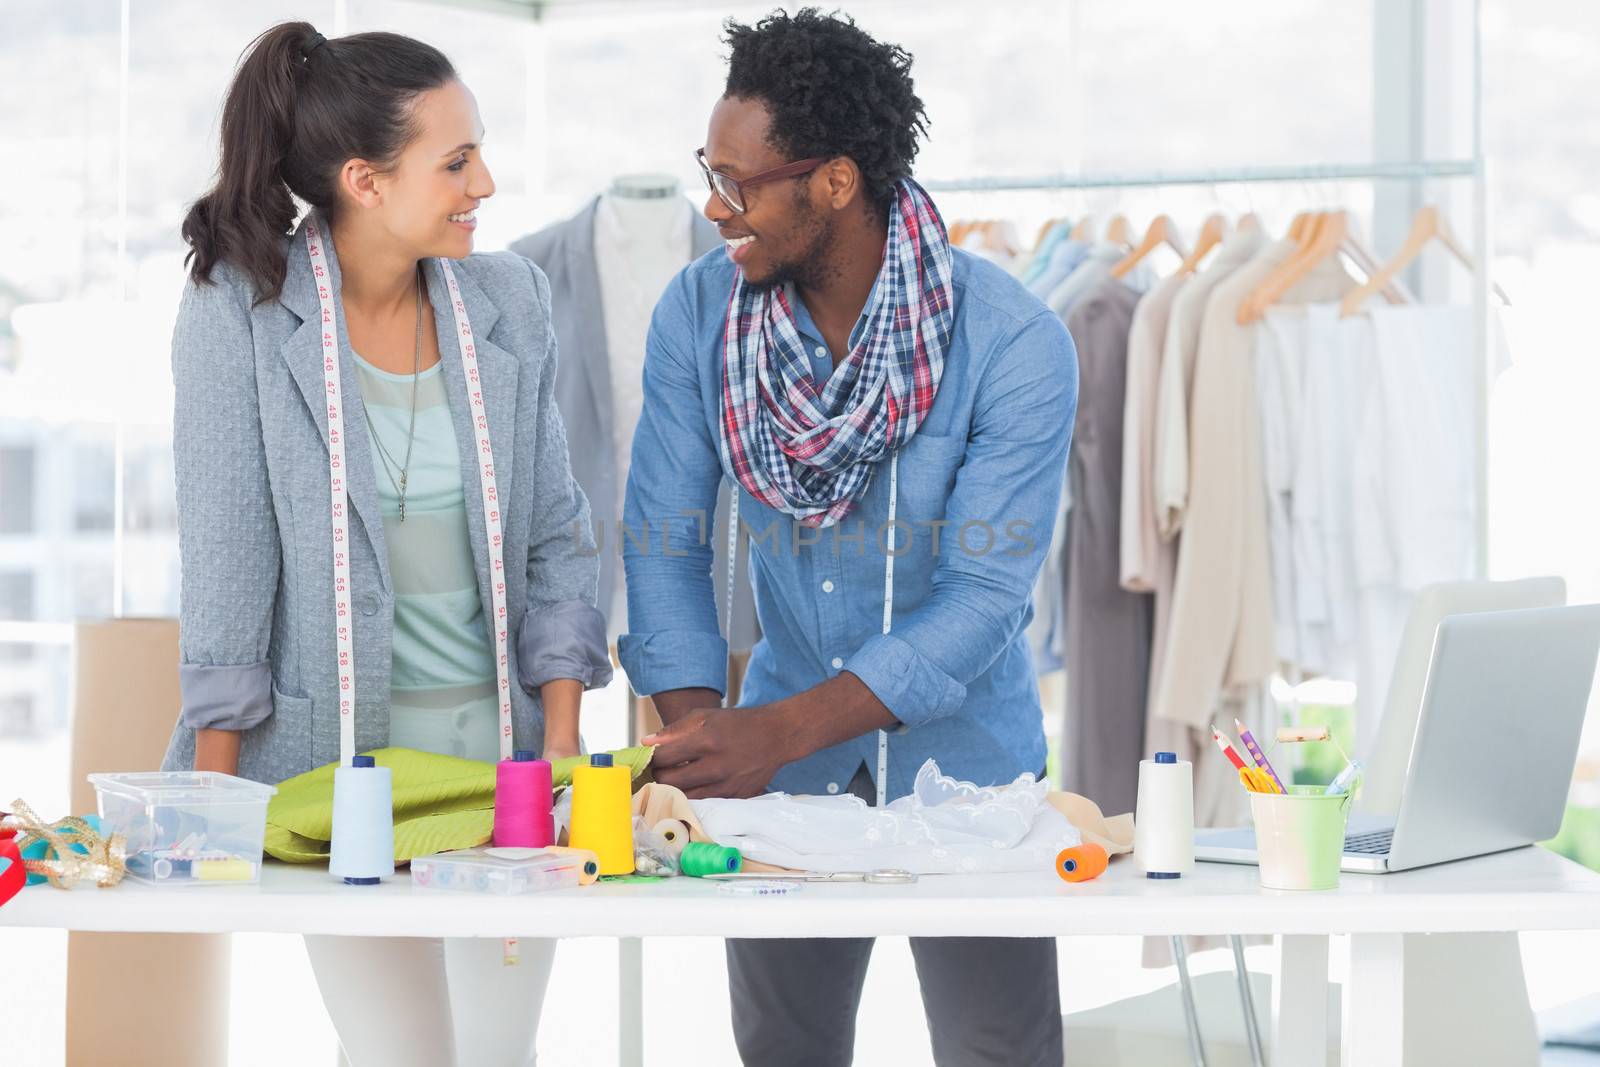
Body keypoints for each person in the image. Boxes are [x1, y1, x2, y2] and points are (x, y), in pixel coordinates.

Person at [621, 10, 1077, 1066]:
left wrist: (774, 731)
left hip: (970, 784)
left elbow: (981, 600)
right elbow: (662, 534)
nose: (712, 204)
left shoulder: (1012, 342)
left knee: (997, 1051)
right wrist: (702, 747)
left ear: (832, 182)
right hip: (776, 796)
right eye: (709, 170)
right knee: (782, 1050)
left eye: (739, 181)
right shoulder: (698, 314)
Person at [161, 22, 610, 1066]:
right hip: (338, 789)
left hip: (499, 783)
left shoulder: (506, 299)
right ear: (363, 179)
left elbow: (555, 531)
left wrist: (560, 739)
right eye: (456, 162)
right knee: (400, 1056)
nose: (485, 183)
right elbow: (228, 567)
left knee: (502, 1055)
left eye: (480, 150)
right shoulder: (241, 312)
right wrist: (209, 817)